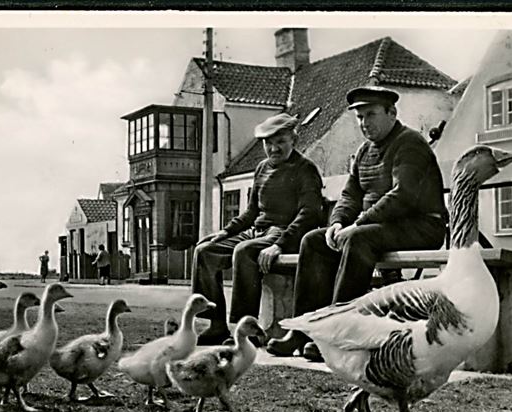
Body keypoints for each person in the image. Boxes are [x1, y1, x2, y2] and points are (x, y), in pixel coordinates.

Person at [266, 86, 449, 360]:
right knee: (314, 241)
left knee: (358, 239)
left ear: (392, 113)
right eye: (360, 117)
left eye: (371, 114)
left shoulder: (410, 143)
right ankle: (304, 331)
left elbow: (402, 196)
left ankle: (338, 335)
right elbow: (350, 195)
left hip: (420, 226)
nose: (364, 123)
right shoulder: (364, 152)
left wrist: (358, 223)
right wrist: (338, 223)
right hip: (380, 228)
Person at [192, 113, 325, 345]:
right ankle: (216, 325)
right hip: (258, 231)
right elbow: (251, 212)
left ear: (294, 140)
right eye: (268, 143)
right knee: (205, 251)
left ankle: (248, 331)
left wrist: (278, 245)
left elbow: (309, 215)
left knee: (245, 252)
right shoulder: (262, 168)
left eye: (280, 142)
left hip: (285, 233)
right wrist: (224, 232)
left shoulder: (305, 169)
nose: (274, 149)